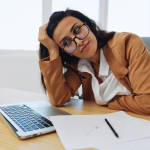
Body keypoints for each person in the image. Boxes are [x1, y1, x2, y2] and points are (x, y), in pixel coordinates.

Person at [38, 9, 150, 115]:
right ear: (67, 53)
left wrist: (109, 102)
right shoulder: (79, 65)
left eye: (77, 30)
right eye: (67, 43)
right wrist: (53, 51)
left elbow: (147, 103)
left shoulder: (128, 43)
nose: (79, 41)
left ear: (88, 25)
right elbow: (58, 99)